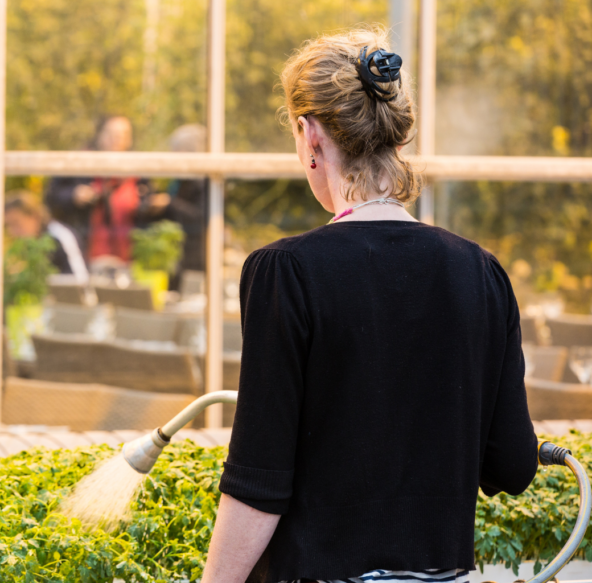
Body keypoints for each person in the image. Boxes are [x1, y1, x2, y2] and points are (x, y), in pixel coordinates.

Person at [202, 28, 537, 583]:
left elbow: (259, 484)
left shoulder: (286, 272)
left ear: (310, 136)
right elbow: (512, 465)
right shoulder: (480, 272)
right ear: (395, 137)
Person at [45, 115, 150, 262]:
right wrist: (74, 195)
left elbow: (148, 209)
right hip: (84, 253)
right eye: (111, 134)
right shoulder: (78, 164)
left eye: (122, 135)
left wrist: (147, 204)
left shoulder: (139, 172)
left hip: (128, 256)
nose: (116, 140)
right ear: (99, 135)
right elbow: (51, 197)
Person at [139, 124, 208, 287]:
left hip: (197, 259)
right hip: (177, 258)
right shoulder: (180, 181)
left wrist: (169, 203)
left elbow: (200, 217)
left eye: (177, 151)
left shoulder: (205, 183)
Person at [4, 191, 88, 283]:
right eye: (9, 225)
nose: (12, 231)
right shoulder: (25, 245)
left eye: (16, 224)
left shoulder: (60, 236)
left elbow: (79, 280)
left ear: (34, 216)